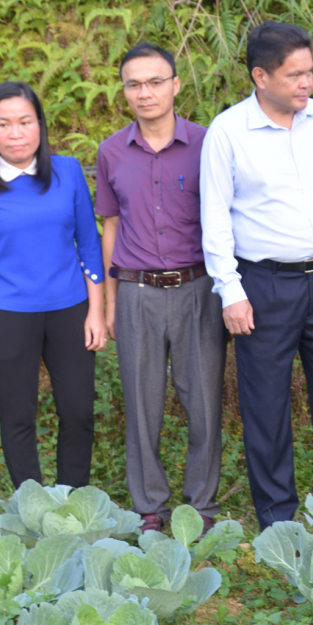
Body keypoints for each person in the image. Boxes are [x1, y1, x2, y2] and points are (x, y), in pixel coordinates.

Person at [200, 21, 313, 528]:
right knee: (267, 407)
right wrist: (230, 292)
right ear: (260, 76)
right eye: (294, 75)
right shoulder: (228, 132)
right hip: (263, 288)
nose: (307, 84)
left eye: (311, 72)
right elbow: (214, 220)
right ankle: (278, 519)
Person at [0, 82, 107, 490]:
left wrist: (97, 311)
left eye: (24, 122)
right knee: (18, 415)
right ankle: (30, 503)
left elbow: (89, 244)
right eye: (3, 124)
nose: (15, 133)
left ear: (40, 125)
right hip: (7, 313)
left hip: (70, 308)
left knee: (78, 411)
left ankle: (73, 499)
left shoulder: (68, 170)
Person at [97, 41, 228, 532]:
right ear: (124, 91)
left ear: (175, 85)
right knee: (141, 402)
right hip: (136, 292)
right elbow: (109, 225)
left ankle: (201, 506)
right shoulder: (111, 151)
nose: (145, 92)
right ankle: (150, 506)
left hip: (198, 288)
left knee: (204, 403)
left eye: (155, 82)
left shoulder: (208, 143)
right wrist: (110, 302)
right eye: (134, 84)